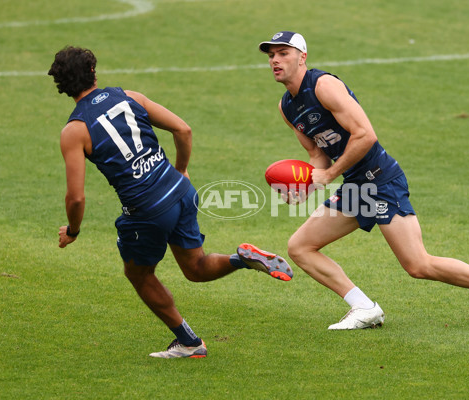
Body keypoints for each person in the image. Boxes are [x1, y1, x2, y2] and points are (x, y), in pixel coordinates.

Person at [258, 31, 469, 329]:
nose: (275, 60)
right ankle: (364, 307)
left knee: (418, 265)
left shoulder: (324, 86)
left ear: (302, 57)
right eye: (272, 55)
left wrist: (330, 175)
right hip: (355, 184)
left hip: (380, 180)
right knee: (301, 247)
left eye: (283, 53)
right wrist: (305, 186)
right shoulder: (287, 106)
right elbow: (317, 155)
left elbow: (365, 135)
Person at [49, 46, 293, 358]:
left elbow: (76, 197)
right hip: (180, 191)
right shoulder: (130, 96)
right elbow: (183, 128)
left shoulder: (74, 131)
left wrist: (73, 230)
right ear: (93, 72)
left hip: (146, 211)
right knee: (195, 268)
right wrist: (181, 170)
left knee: (139, 274)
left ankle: (190, 343)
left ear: (61, 86)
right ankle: (241, 259)